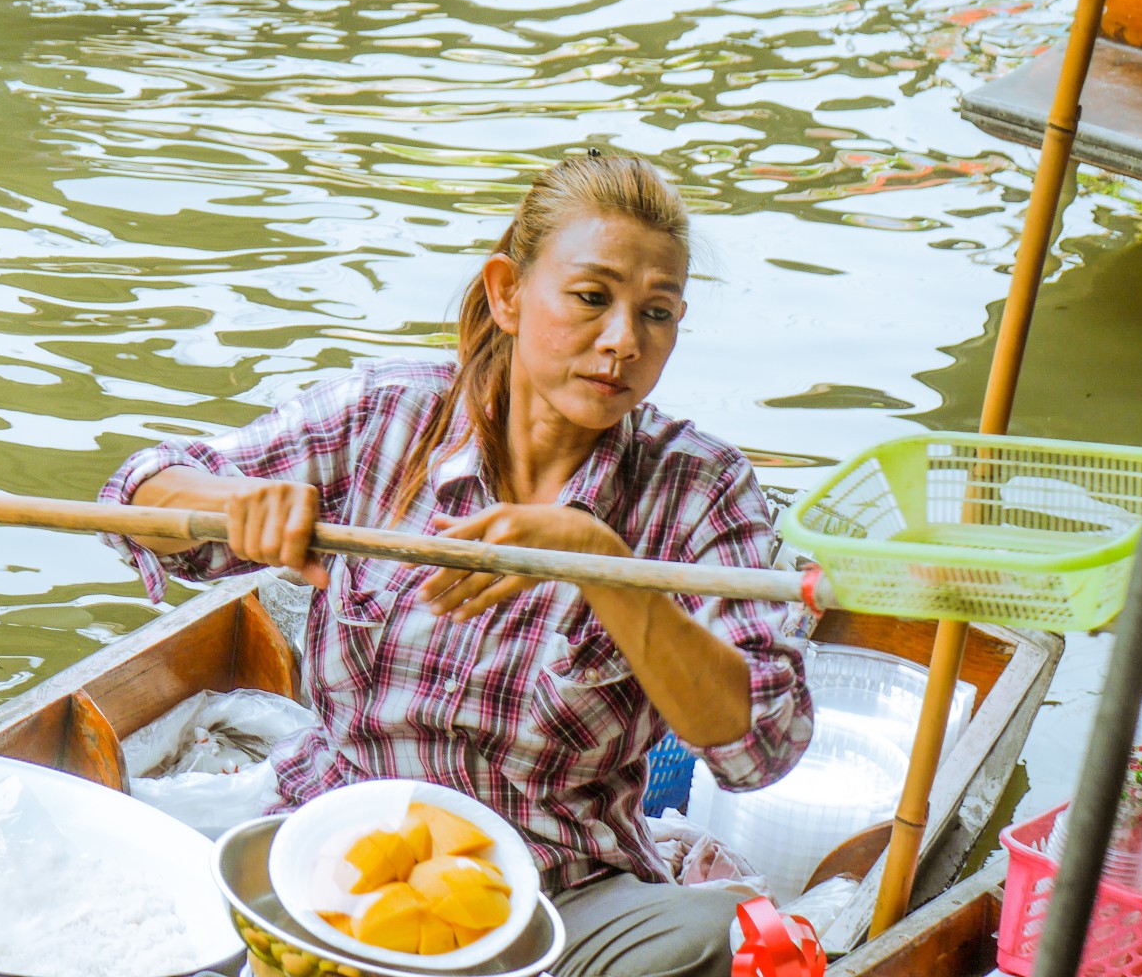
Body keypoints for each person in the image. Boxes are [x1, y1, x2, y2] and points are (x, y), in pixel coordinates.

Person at [100, 153, 813, 977]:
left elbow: (759, 748)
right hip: (333, 858)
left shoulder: (699, 488)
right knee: (135, 906)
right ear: (508, 293)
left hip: (554, 896)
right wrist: (228, 500)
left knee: (709, 938)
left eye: (657, 314)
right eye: (592, 297)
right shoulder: (387, 414)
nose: (624, 341)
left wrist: (603, 566)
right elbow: (138, 495)